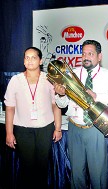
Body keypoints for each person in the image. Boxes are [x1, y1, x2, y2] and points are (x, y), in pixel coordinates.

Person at [54, 39, 108, 189]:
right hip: (74, 128)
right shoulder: (71, 75)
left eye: (91, 53)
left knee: (98, 175)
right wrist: (61, 95)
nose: (86, 57)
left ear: (99, 56)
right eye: (84, 54)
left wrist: (98, 96)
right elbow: (62, 105)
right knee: (77, 174)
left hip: (96, 128)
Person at [5, 47, 62, 189]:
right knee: (27, 167)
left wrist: (58, 128)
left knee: (42, 167)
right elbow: (10, 108)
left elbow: (56, 105)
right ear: (24, 61)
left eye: (33, 57)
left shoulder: (49, 79)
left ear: (41, 60)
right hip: (23, 130)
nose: (29, 60)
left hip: (45, 128)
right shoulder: (15, 80)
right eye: (27, 57)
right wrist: (9, 133)